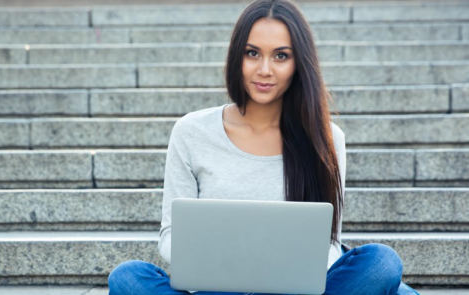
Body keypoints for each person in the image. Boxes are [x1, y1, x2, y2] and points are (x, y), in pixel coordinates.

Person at [108, 0, 421, 294]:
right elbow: (170, 237)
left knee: (382, 263)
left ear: (299, 63)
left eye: (281, 56)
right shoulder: (191, 131)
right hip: (218, 288)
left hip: (291, 289)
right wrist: (222, 262)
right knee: (128, 278)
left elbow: (328, 244)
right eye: (252, 53)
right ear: (237, 57)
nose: (265, 70)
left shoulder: (325, 138)